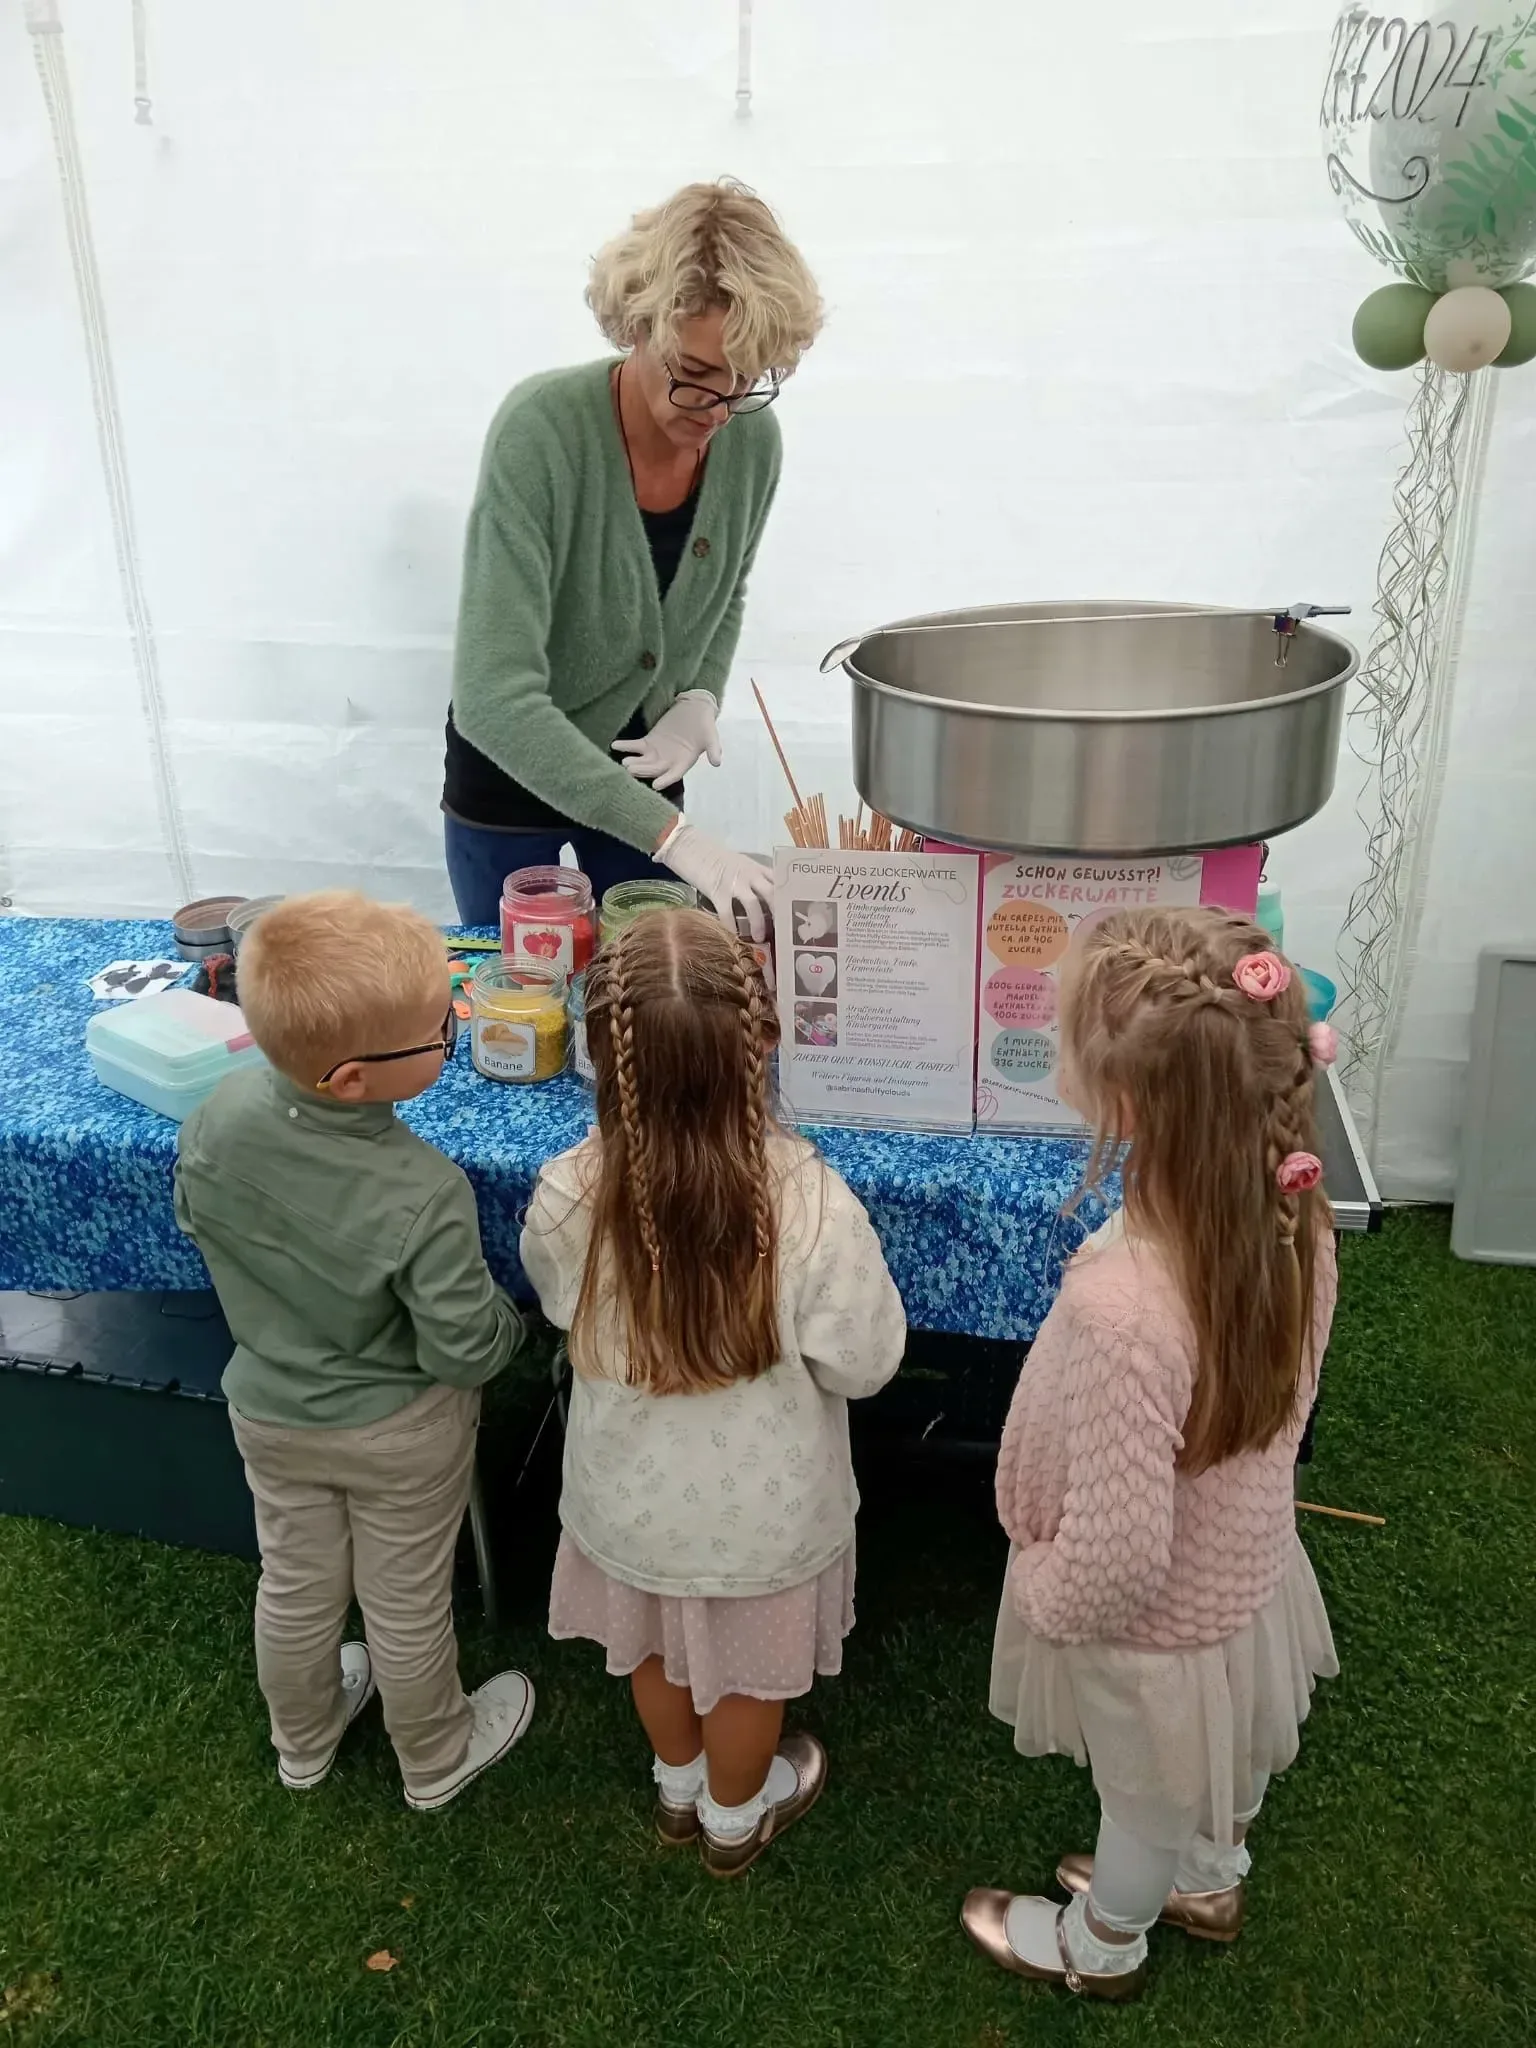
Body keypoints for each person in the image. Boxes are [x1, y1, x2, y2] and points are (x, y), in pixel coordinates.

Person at [961, 907, 1340, 2001]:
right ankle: (1212, 1875)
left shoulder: (1124, 1308)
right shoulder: (1294, 1217)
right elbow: (1292, 1394)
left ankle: (1107, 1939)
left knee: (1142, 1793)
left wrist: (1042, 1585)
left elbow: (1120, 1555)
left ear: (1126, 1104)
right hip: (1248, 1562)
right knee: (1215, 1759)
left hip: (1150, 1618)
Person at [519, 909, 906, 1875]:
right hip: (764, 1517)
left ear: (604, 1059)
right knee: (749, 1680)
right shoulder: (815, 1203)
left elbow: (563, 1305)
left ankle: (679, 1786)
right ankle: (736, 1818)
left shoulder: (567, 1190)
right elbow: (867, 1362)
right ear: (761, 1045)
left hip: (629, 1500)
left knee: (652, 1652)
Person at [174, 892, 536, 1810]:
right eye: (438, 1034)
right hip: (396, 1429)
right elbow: (465, 1348)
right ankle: (436, 1756)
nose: (453, 1030)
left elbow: (196, 1219)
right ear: (350, 1080)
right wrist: (512, 1326)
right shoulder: (423, 1190)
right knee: (405, 1603)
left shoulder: (212, 1118)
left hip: (270, 1408)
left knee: (294, 1585)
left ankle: (303, 1741)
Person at [444, 179, 823, 941]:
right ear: (636, 327)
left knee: (649, 993)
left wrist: (700, 699)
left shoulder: (752, 442)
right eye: (695, 372)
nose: (718, 409)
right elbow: (493, 697)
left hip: (644, 768)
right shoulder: (541, 431)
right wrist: (678, 841)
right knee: (523, 996)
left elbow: (726, 592)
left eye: (747, 380)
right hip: (515, 771)